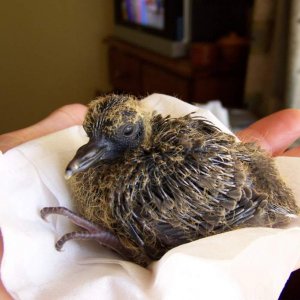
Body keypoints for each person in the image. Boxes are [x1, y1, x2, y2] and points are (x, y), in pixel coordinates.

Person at [0, 105, 300, 299]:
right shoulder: (110, 166)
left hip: (244, 205)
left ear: (140, 129)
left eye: (125, 134)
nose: (90, 152)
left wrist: (119, 240)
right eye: (93, 137)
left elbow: (177, 249)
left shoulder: (137, 193)